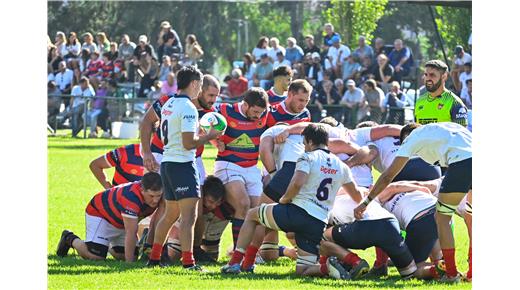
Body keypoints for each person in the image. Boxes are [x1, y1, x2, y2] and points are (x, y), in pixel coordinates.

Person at [222, 123, 363, 278]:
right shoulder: (341, 166)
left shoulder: (307, 157)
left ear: (309, 142)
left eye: (304, 143)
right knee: (302, 271)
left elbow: (297, 182)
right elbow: (356, 195)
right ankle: (328, 268)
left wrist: (285, 199)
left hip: (297, 212)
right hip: (318, 222)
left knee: (252, 215)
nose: (304, 147)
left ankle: (236, 263)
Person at [354, 122, 472, 283]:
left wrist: (366, 201)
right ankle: (472, 271)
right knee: (472, 218)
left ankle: (451, 274)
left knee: (441, 218)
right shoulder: (447, 127)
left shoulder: (411, 139)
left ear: (404, 138)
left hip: (461, 164)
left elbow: (387, 176)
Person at [147, 66, 222, 270]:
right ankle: (189, 263)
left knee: (170, 214)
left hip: (168, 163)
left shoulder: (168, 103)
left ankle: (154, 258)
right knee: (189, 216)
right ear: (195, 84)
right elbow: (189, 143)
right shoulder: (188, 107)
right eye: (200, 86)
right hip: (182, 164)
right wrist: (209, 136)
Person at [56, 172, 163, 262]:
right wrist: (130, 265)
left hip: (120, 220)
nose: (155, 200)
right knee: (96, 257)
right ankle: (69, 238)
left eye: (158, 196)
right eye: (151, 196)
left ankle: (105, 245)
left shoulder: (161, 196)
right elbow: (131, 231)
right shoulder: (131, 197)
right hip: (100, 214)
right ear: (142, 190)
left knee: (126, 256)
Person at [212, 88, 269, 249]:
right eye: (255, 111)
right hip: (228, 165)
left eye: (261, 112)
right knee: (243, 205)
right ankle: (238, 253)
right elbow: (204, 120)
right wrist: (215, 141)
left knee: (258, 212)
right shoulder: (225, 110)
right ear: (245, 105)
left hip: (252, 167)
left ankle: (250, 254)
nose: (258, 116)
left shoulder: (265, 114)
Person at [322, 190, 417, 280]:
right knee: (410, 274)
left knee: (322, 238)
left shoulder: (329, 202)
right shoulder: (361, 193)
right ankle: (381, 266)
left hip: (367, 226)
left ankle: (355, 262)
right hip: (391, 224)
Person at [414, 60, 468, 126]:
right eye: (426, 74)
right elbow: (416, 130)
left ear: (444, 77)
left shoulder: (454, 102)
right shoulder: (419, 101)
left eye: (432, 75)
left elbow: (461, 134)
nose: (428, 78)